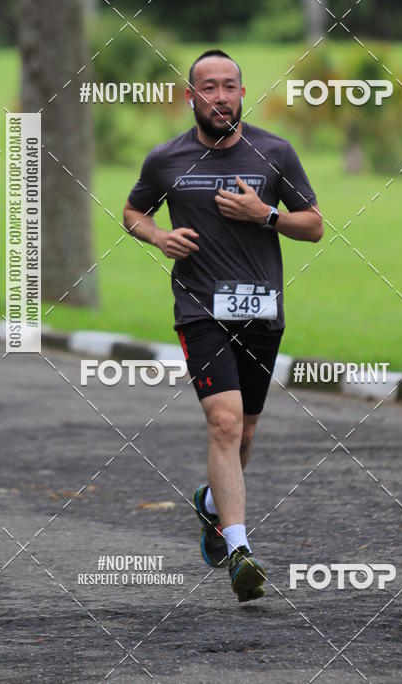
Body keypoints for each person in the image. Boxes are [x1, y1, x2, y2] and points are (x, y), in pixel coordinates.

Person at [123, 49, 323, 602]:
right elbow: (133, 210)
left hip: (261, 311)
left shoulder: (274, 152)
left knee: (247, 431)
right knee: (226, 423)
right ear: (192, 97)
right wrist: (158, 237)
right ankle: (240, 550)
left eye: (229, 86)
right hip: (199, 310)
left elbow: (314, 226)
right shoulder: (166, 160)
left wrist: (267, 215)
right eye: (208, 87)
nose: (220, 96)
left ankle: (211, 506)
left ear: (242, 93)